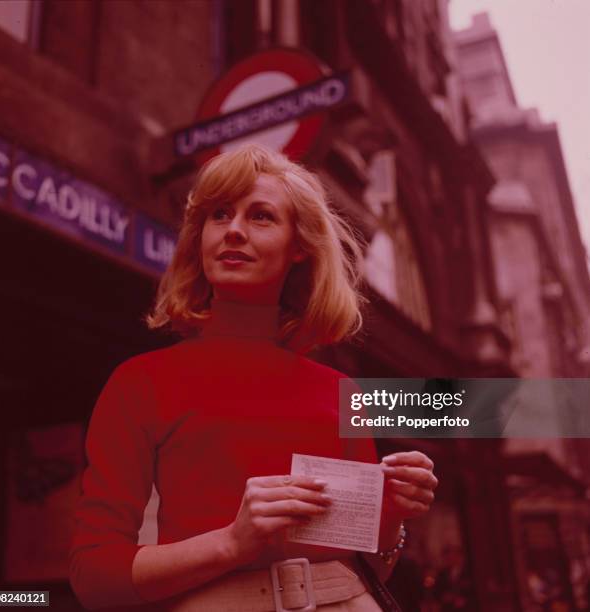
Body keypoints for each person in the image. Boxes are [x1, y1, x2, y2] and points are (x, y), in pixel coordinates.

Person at [70, 144, 438, 610]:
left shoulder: (341, 394)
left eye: (261, 216)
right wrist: (231, 542)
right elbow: (94, 577)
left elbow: (365, 568)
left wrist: (392, 514)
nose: (235, 231)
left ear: (299, 246)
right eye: (219, 215)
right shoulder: (141, 382)